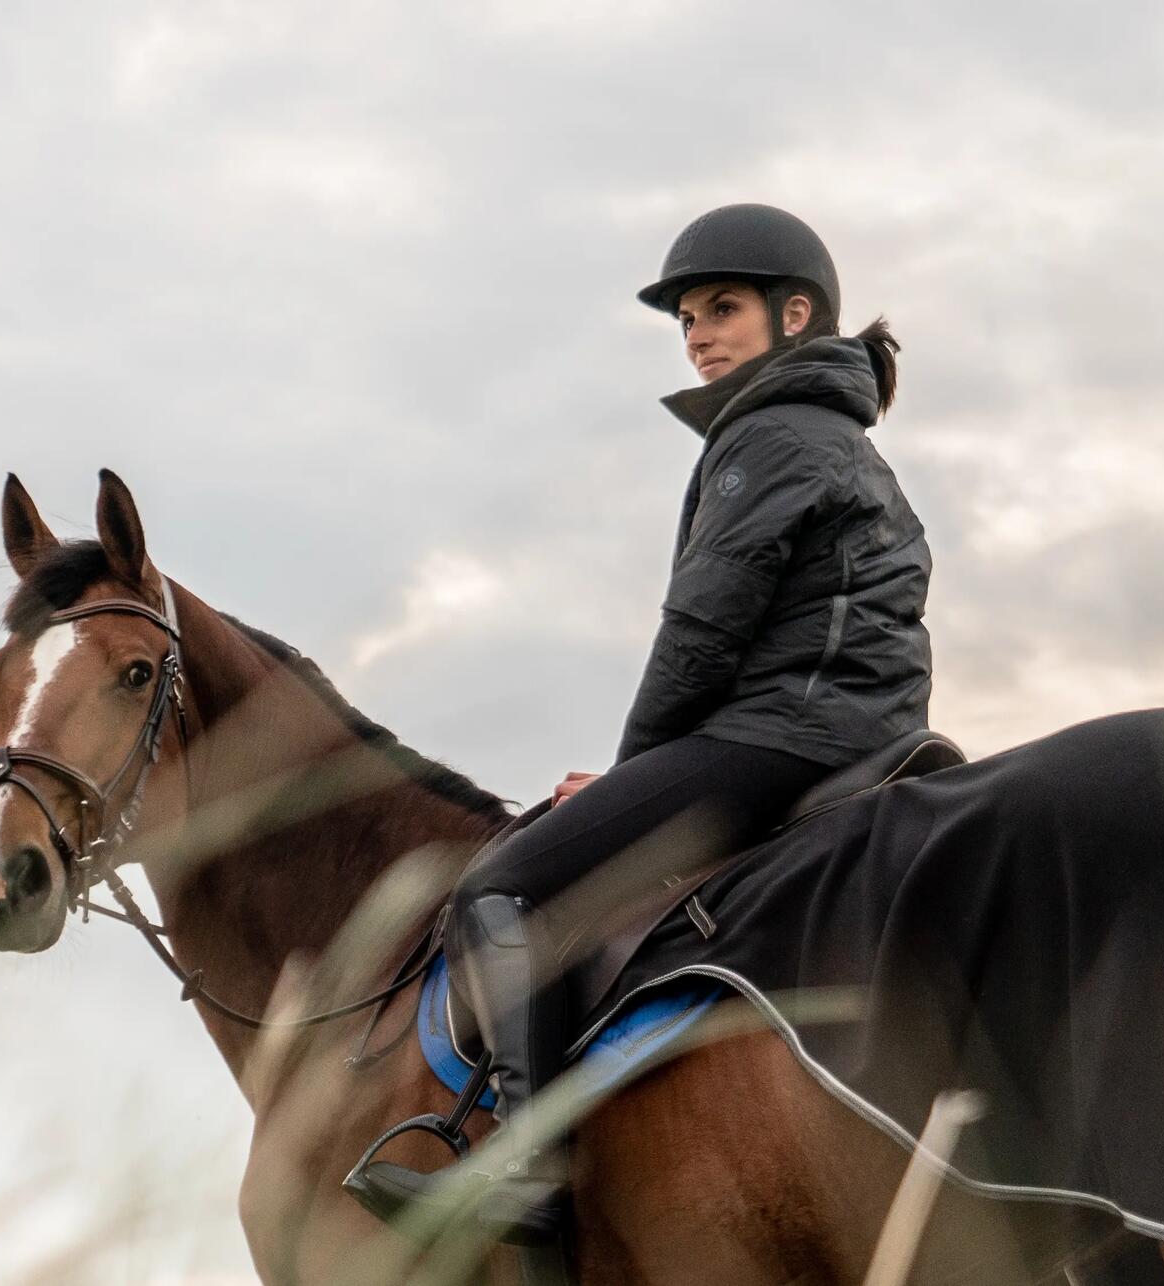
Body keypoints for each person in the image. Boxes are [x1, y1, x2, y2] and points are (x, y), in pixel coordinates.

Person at [362, 203, 934, 1243]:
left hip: (784, 733)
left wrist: (636, 777)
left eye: (721, 307)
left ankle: (532, 1172)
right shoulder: (837, 438)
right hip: (856, 731)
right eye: (685, 319)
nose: (698, 332)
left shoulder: (769, 432)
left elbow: (704, 629)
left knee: (501, 882)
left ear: (794, 313)